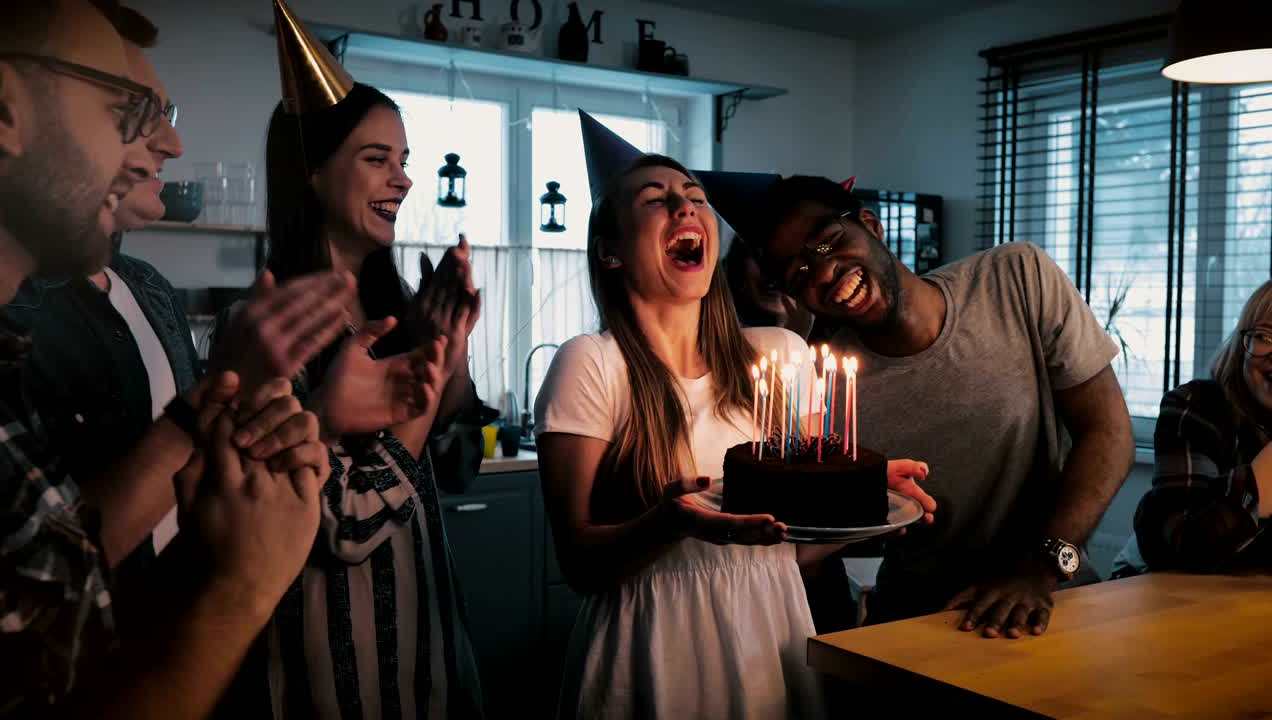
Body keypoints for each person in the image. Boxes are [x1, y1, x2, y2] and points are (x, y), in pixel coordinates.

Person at [0, 2, 336, 717]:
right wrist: (241, 585)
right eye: (128, 109)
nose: (166, 146)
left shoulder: (129, 296)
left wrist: (219, 541)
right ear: (2, 105)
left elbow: (56, 606)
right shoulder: (27, 328)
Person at [533, 112, 935, 718]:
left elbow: (789, 547)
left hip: (770, 633)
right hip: (651, 647)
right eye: (657, 199)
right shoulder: (590, 364)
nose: (686, 209)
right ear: (610, 251)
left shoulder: (780, 355)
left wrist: (859, 503)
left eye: (695, 199)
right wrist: (672, 524)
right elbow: (580, 565)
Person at [212, 11, 484, 715]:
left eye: (404, 162)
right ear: (311, 171)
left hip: (427, 659)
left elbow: (454, 467)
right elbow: (344, 524)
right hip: (330, 675)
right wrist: (422, 393)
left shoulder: (393, 308)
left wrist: (447, 350)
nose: (402, 181)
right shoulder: (264, 332)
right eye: (376, 160)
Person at [747, 173, 1135, 637]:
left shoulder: (1016, 279)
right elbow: (813, 523)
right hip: (918, 623)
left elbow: (1108, 431)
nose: (825, 272)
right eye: (800, 274)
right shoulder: (823, 381)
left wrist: (1043, 565)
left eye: (828, 243)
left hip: (1048, 603)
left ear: (871, 225)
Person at [1134, 280, 1272, 572]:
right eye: (1266, 337)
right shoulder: (1195, 407)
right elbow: (1189, 546)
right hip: (1168, 596)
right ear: (1241, 343)